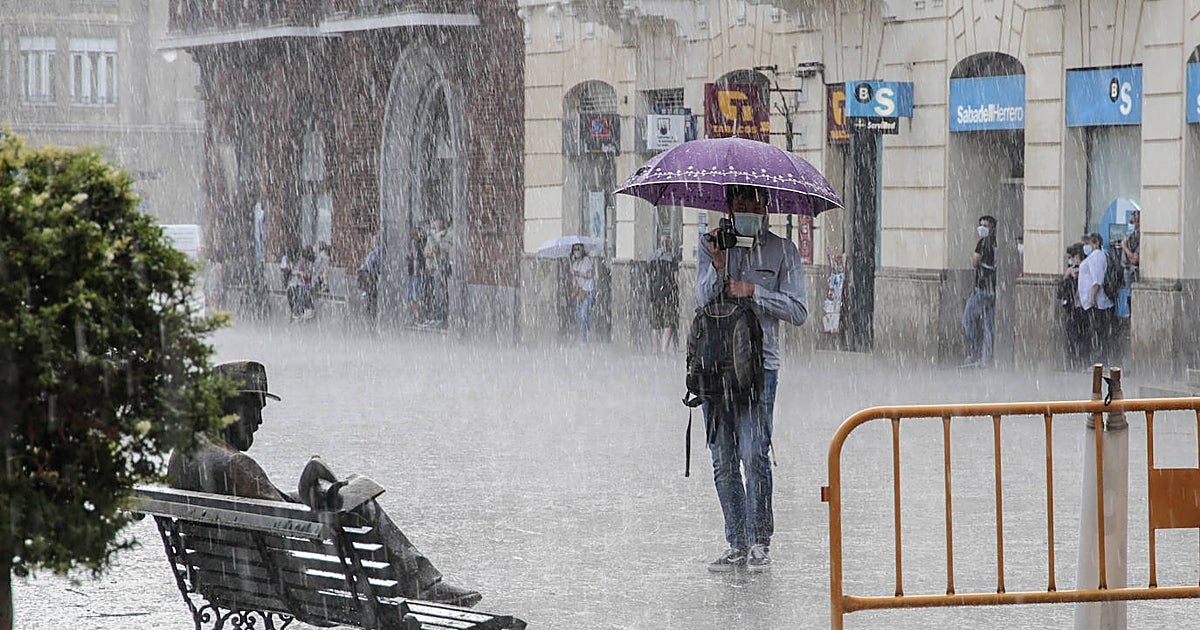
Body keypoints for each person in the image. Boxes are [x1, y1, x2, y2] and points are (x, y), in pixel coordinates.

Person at [167, 361, 482, 607]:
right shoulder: (235, 464)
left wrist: (307, 494)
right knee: (360, 501)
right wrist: (320, 492)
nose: (259, 422)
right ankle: (423, 584)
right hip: (290, 587)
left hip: (223, 580)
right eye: (255, 409)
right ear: (230, 407)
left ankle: (422, 581)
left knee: (340, 494)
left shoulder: (183, 454)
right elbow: (295, 529)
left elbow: (263, 508)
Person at [697, 185, 807, 573]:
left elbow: (798, 310)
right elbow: (702, 300)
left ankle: (760, 541)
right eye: (739, 202)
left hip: (760, 370)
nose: (747, 208)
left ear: (766, 206)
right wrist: (719, 265)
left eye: (754, 202)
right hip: (714, 369)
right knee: (723, 460)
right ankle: (736, 543)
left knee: (753, 452)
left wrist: (754, 291)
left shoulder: (783, 251)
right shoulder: (711, 245)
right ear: (728, 206)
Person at [961, 215, 997, 368]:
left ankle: (974, 353)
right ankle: (986, 358)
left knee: (967, 319)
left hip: (982, 289)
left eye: (986, 225)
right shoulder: (995, 243)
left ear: (992, 228)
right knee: (988, 326)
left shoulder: (983, 243)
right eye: (980, 224)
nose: (982, 228)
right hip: (992, 289)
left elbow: (975, 261)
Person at [1078, 232, 1114, 366]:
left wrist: (1092, 297)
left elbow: (1097, 280)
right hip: (1095, 303)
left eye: (1088, 243)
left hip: (1097, 303)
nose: (1085, 246)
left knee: (1097, 333)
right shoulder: (1096, 256)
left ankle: (1099, 361)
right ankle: (1098, 360)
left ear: (1096, 243)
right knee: (1097, 332)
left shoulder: (1096, 256)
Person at [1058, 242, 1088, 370]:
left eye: (1072, 257)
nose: (1071, 260)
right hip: (1073, 308)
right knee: (1072, 336)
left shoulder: (1085, 268)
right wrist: (1066, 276)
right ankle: (1073, 361)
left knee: (1079, 336)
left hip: (1082, 308)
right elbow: (1061, 291)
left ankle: (1078, 361)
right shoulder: (1071, 272)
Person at [648, 235, 679, 353]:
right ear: (670, 244)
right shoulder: (672, 258)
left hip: (654, 294)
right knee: (668, 323)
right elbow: (677, 278)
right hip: (668, 294)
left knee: (655, 324)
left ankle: (656, 350)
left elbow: (649, 274)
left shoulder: (652, 257)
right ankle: (664, 349)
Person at [569, 243, 596, 343]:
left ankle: (585, 339)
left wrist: (578, 273)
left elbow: (590, 274)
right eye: (575, 249)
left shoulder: (586, 261)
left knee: (584, 314)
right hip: (580, 293)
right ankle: (584, 337)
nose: (577, 251)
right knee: (580, 316)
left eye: (579, 249)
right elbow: (575, 284)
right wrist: (575, 289)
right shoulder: (574, 264)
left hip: (588, 291)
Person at [358, 240, 382, 319]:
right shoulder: (377, 251)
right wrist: (374, 274)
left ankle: (367, 304)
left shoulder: (374, 251)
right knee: (370, 290)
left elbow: (369, 263)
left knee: (368, 290)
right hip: (367, 274)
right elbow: (370, 264)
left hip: (364, 273)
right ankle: (370, 309)